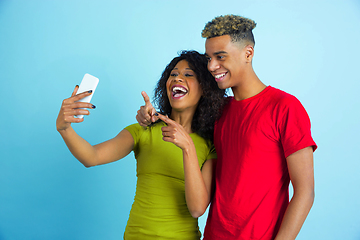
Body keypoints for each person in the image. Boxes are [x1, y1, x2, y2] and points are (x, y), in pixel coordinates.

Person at [136, 15, 317, 240]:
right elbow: (183, 119)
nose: (212, 66)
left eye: (220, 57)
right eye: (209, 58)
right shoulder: (219, 112)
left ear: (248, 53)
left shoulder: (285, 107)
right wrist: (148, 117)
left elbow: (305, 193)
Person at [56, 50, 226, 240]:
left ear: (205, 88)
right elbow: (91, 157)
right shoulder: (144, 130)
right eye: (173, 74)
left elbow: (197, 209)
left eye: (188, 74)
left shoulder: (209, 145)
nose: (178, 78)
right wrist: (65, 129)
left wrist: (187, 147)